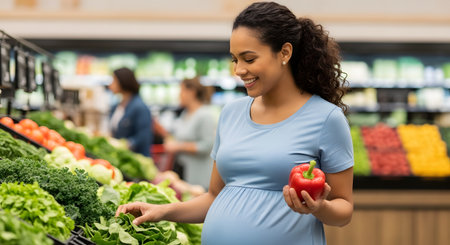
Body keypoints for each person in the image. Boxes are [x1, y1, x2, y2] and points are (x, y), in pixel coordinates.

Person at [116, 2, 354, 245]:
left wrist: (318, 208)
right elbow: (214, 197)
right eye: (234, 59)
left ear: (285, 53)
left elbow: (344, 209)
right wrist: (163, 211)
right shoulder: (231, 113)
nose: (239, 70)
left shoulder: (326, 118)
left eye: (249, 59)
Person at [163, 77, 216, 189]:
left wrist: (178, 146)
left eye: (181, 91)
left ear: (191, 92)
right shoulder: (185, 114)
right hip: (183, 170)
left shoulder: (205, 115)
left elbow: (207, 145)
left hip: (198, 176)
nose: (179, 95)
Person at [109, 67, 153, 157]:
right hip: (120, 156)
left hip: (135, 159)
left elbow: (144, 136)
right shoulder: (116, 106)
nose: (110, 85)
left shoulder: (140, 107)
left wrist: (125, 145)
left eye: (114, 80)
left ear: (123, 81)